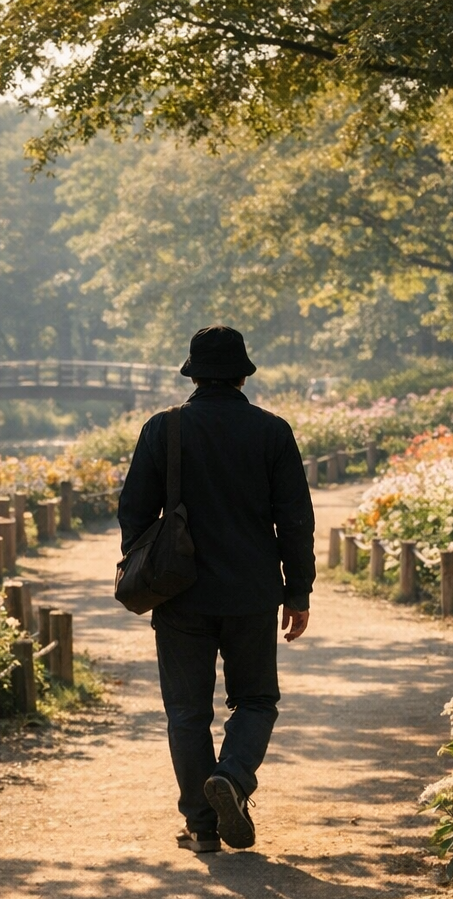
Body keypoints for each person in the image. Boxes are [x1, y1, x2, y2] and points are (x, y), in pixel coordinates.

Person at [117, 325, 315, 853]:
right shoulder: (272, 432)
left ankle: (203, 827)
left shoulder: (164, 430)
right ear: (243, 375)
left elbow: (133, 512)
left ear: (194, 373)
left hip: (180, 593)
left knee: (187, 712)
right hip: (252, 593)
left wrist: (151, 563)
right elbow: (295, 520)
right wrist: (298, 591)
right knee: (255, 700)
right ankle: (232, 776)